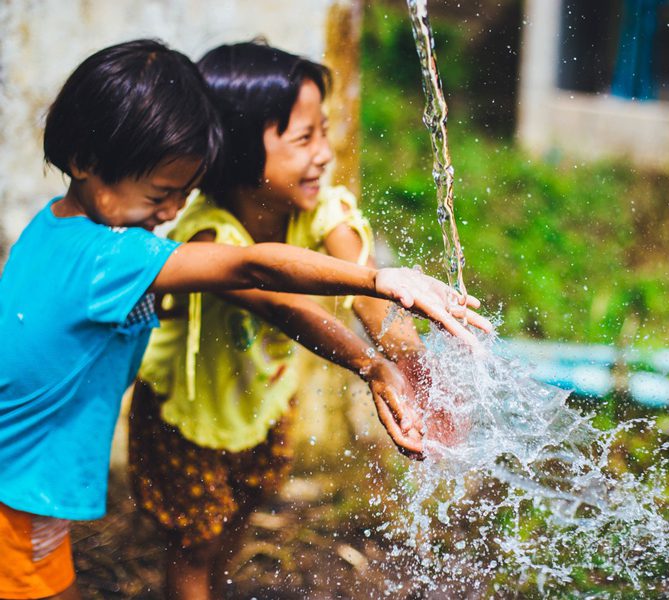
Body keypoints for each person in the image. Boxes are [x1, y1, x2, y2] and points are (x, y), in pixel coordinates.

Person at [0, 39, 489, 600]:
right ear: (86, 162)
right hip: (21, 477)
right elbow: (255, 269)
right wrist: (378, 280)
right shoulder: (110, 256)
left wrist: (398, 356)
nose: (170, 214)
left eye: (181, 194)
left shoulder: (56, 227)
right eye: (161, 194)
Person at [127, 40, 437, 600]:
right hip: (188, 414)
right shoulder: (205, 232)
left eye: (324, 130)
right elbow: (282, 304)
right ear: (240, 151)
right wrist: (369, 365)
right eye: (304, 138)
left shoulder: (318, 208)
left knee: (241, 514)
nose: (324, 152)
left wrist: (413, 364)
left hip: (265, 400)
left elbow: (365, 286)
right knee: (193, 545)